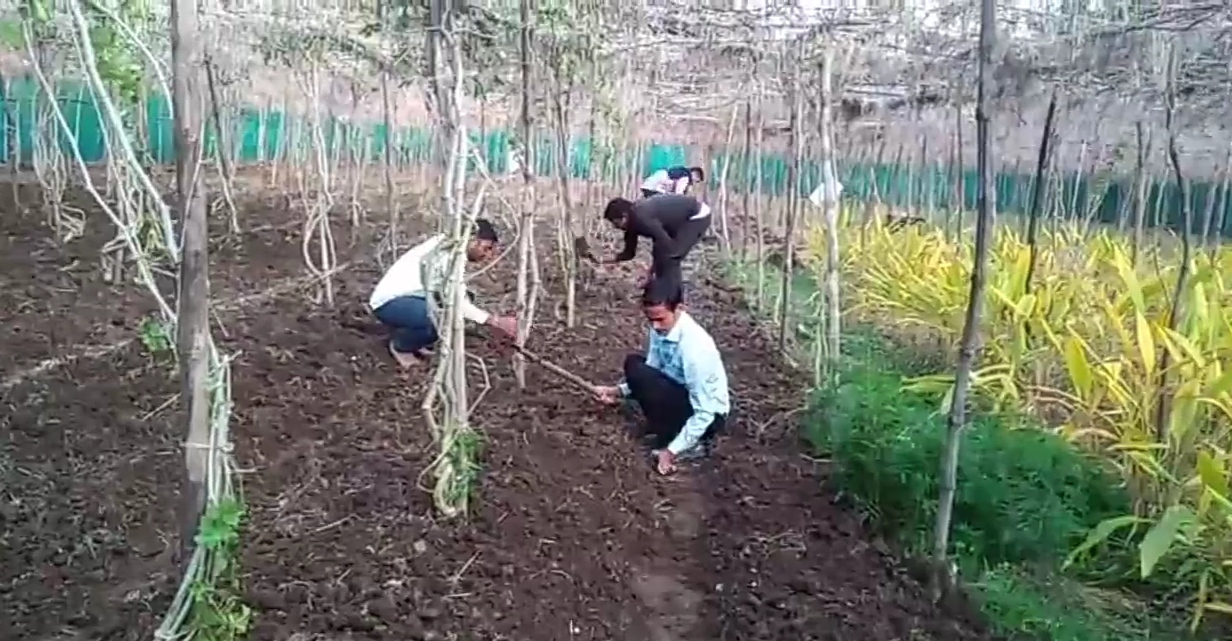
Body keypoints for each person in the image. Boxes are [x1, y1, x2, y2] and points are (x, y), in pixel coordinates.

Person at [593, 280, 731, 476]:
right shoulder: (660, 328)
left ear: (679, 309)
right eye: (650, 320)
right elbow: (653, 372)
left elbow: (705, 412)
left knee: (640, 373)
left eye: (660, 319)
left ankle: (691, 443)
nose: (655, 326)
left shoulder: (695, 350)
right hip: (681, 395)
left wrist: (671, 452)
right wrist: (616, 391)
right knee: (635, 365)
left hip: (708, 418)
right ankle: (667, 429)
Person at [368, 219, 518, 368]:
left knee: (461, 304)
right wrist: (494, 321)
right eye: (486, 248)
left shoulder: (451, 248)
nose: (488, 255)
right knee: (437, 318)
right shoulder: (446, 255)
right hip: (388, 303)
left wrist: (484, 317)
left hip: (414, 297)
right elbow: (455, 299)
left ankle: (417, 340)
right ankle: (401, 346)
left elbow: (457, 293)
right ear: (472, 240)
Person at [599, 194, 712, 297]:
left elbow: (667, 246)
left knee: (672, 256)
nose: (615, 227)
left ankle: (673, 300)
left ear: (624, 216)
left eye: (616, 223)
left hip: (696, 216)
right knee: (662, 252)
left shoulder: (642, 218)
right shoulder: (632, 223)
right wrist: (610, 259)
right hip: (675, 221)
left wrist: (650, 273)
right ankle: (662, 293)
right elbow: (630, 253)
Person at [640, 165, 705, 199]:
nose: (694, 182)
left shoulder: (680, 172)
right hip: (654, 188)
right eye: (697, 181)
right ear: (695, 175)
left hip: (649, 185)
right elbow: (679, 193)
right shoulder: (686, 177)